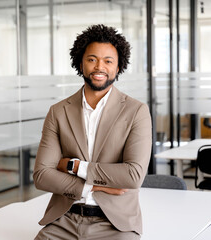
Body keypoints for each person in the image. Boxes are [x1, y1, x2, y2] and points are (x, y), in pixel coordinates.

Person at [33, 24, 152, 240]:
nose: (100, 67)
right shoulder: (58, 111)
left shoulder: (137, 112)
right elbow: (42, 176)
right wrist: (93, 187)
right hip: (64, 220)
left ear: (118, 67)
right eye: (92, 59)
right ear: (81, 63)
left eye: (108, 61)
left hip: (116, 225)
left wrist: (74, 166)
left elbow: (133, 176)